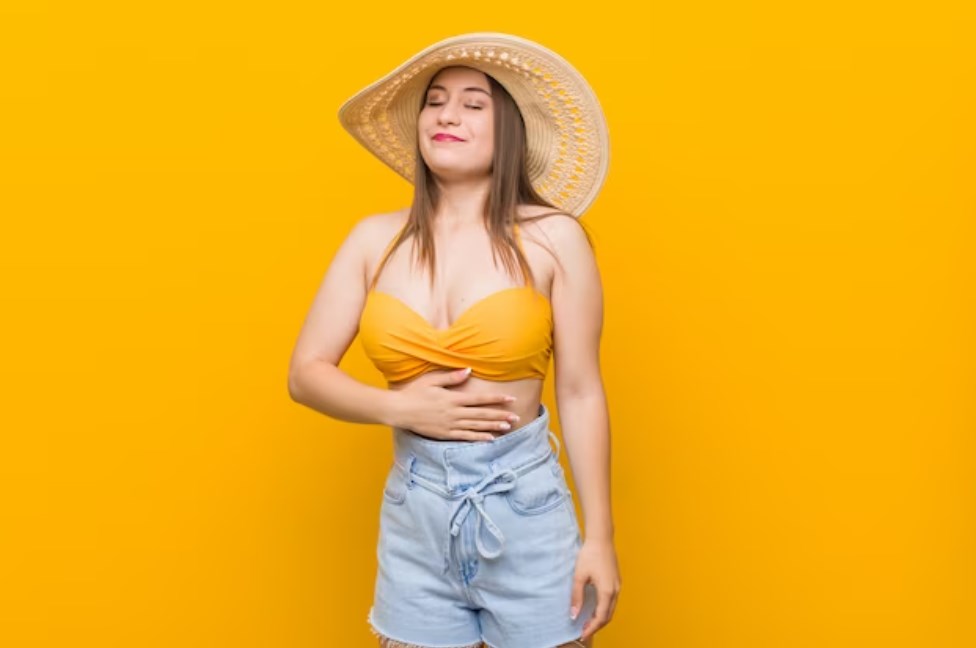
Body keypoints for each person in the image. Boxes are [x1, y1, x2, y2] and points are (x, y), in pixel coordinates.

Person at [288, 32, 620, 648]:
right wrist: (402, 407)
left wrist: (598, 537)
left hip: (525, 506)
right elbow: (305, 373)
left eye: (473, 103)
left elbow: (579, 391)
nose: (446, 114)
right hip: (415, 512)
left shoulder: (554, 238)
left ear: (510, 129)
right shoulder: (372, 240)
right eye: (436, 101)